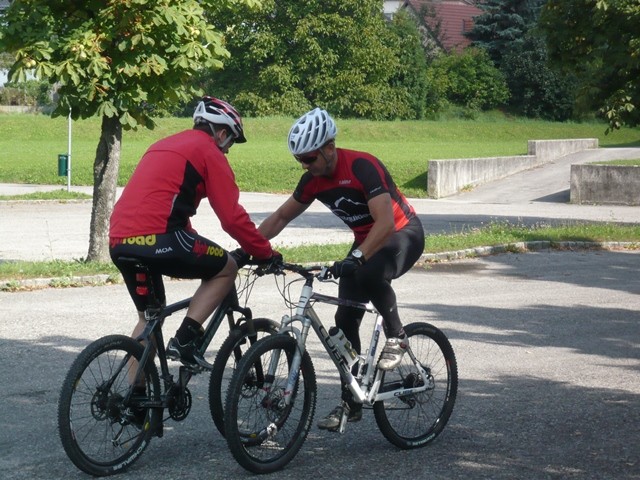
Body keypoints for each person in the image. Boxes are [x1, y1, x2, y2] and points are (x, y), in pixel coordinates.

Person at [257, 107, 425, 431]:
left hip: (402, 234)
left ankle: (398, 337)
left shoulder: (362, 166)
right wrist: (250, 248)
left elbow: (385, 223)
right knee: (345, 320)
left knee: (368, 274)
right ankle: (352, 401)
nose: (305, 165)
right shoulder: (313, 180)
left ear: (329, 148)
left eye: (309, 158)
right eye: (300, 160)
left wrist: (358, 258)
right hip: (366, 242)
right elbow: (280, 217)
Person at [109, 96, 279, 370]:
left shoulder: (161, 145)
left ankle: (135, 395)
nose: (228, 149)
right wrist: (265, 253)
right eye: (231, 141)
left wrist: (195, 241)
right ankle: (185, 340)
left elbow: (165, 207)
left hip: (120, 241)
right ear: (221, 133)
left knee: (149, 318)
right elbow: (232, 218)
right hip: (161, 238)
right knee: (226, 268)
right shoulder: (209, 152)